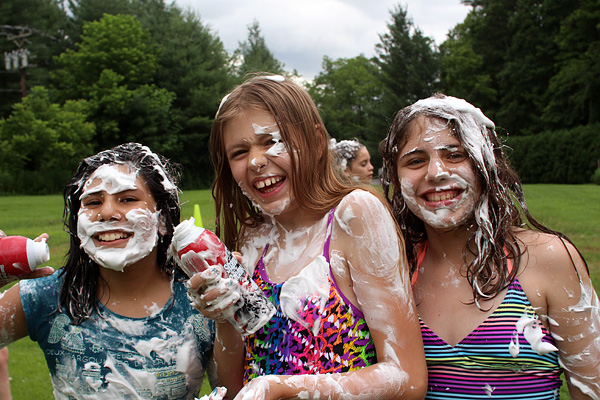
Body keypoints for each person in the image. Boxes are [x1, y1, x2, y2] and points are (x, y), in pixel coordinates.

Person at [184, 75, 427, 400]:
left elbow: (407, 378)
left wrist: (286, 388)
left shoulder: (355, 215)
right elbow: (230, 389)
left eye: (271, 141)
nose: (256, 161)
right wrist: (225, 316)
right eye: (240, 152)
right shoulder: (252, 237)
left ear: (314, 140)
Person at [379, 94, 600, 399]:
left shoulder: (549, 259)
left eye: (455, 155)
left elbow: (592, 389)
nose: (436, 172)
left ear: (487, 163)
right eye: (415, 161)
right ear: (395, 177)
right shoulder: (394, 271)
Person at [0, 143, 218, 399]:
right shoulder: (48, 296)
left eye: (127, 199)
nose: (106, 213)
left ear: (161, 218)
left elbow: (236, 391)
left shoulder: (199, 299)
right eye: (93, 202)